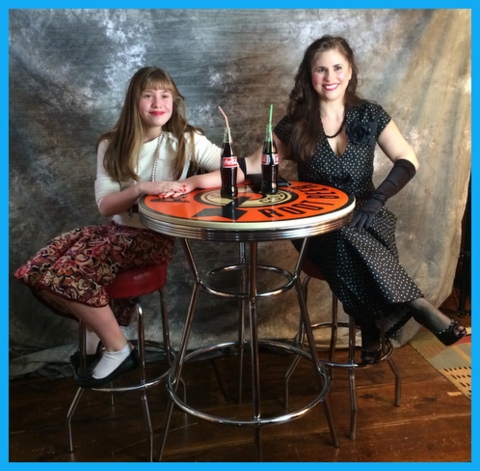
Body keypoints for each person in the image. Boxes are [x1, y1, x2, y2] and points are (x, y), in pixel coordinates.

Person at [242, 35, 467, 363]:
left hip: (369, 215)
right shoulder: (295, 124)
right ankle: (417, 305)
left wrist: (378, 199)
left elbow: (407, 159)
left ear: (350, 72)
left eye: (337, 68)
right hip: (317, 226)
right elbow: (248, 166)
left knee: (354, 229)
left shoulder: (371, 114)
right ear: (309, 76)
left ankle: (371, 325)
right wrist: (197, 174)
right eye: (321, 70)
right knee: (342, 230)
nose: (330, 77)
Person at [14, 66, 236, 388]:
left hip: (153, 238)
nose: (157, 102)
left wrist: (189, 183)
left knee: (67, 273)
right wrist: (141, 189)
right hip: (117, 232)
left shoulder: (186, 140)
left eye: (165, 95)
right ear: (134, 101)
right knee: (40, 268)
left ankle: (118, 349)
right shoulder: (111, 144)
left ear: (174, 101)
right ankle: (95, 334)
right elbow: (105, 206)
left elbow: (236, 172)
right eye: (148, 95)